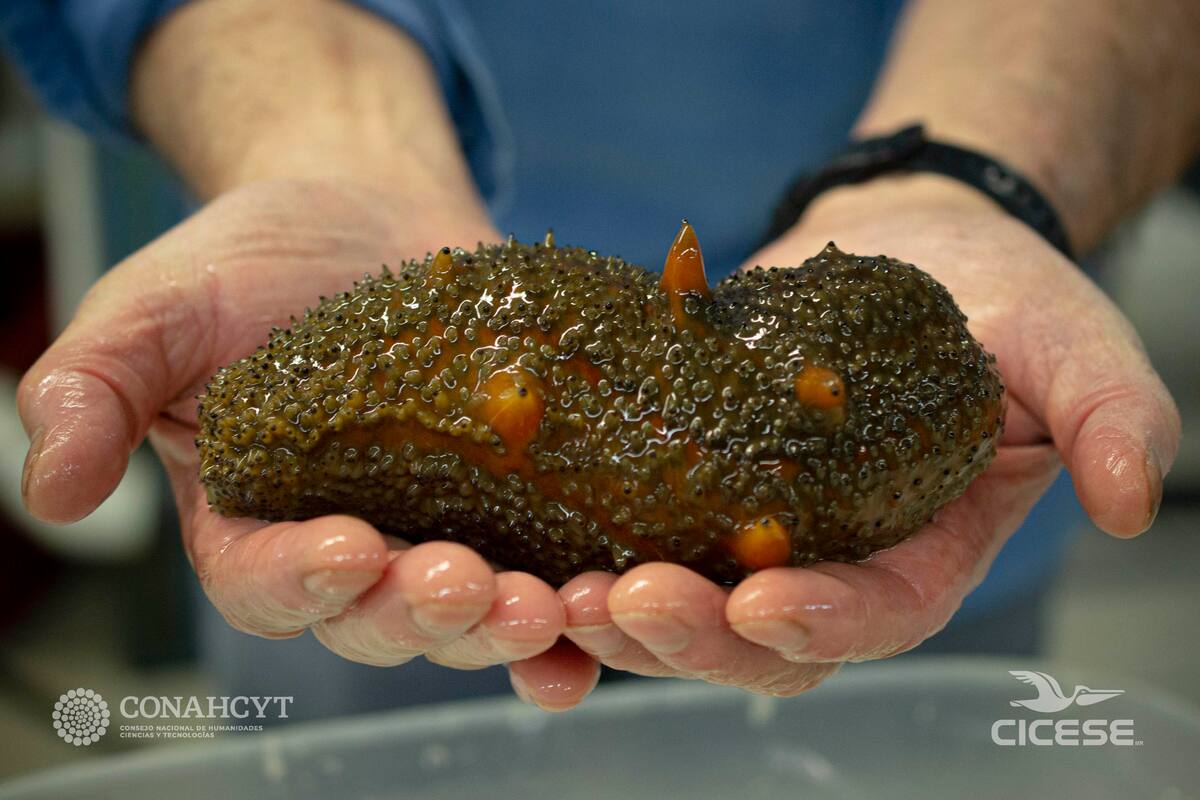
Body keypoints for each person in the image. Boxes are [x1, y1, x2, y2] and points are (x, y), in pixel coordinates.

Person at [2, 0, 1192, 713]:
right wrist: (316, 134)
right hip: (363, 588)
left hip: (940, 561)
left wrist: (976, 171)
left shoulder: (906, 379)